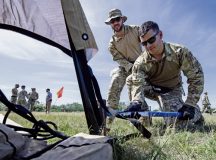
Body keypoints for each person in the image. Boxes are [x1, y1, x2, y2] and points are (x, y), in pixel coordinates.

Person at [126, 21, 204, 127]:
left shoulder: (180, 52)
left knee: (176, 125)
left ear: (160, 35)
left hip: (171, 90)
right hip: (151, 88)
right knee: (131, 79)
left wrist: (190, 103)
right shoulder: (140, 62)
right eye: (144, 43)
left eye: (151, 40)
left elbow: (196, 76)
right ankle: (143, 118)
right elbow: (137, 82)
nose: (148, 46)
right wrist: (136, 102)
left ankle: (196, 114)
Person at [105, 9, 144, 124]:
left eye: (117, 19)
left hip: (141, 65)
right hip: (125, 67)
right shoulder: (112, 44)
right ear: (110, 24)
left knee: (135, 88)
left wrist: (141, 64)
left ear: (122, 19)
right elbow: (118, 58)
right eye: (112, 21)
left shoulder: (136, 30)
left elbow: (148, 43)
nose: (115, 23)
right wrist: (129, 66)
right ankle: (108, 122)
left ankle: (143, 119)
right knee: (115, 80)